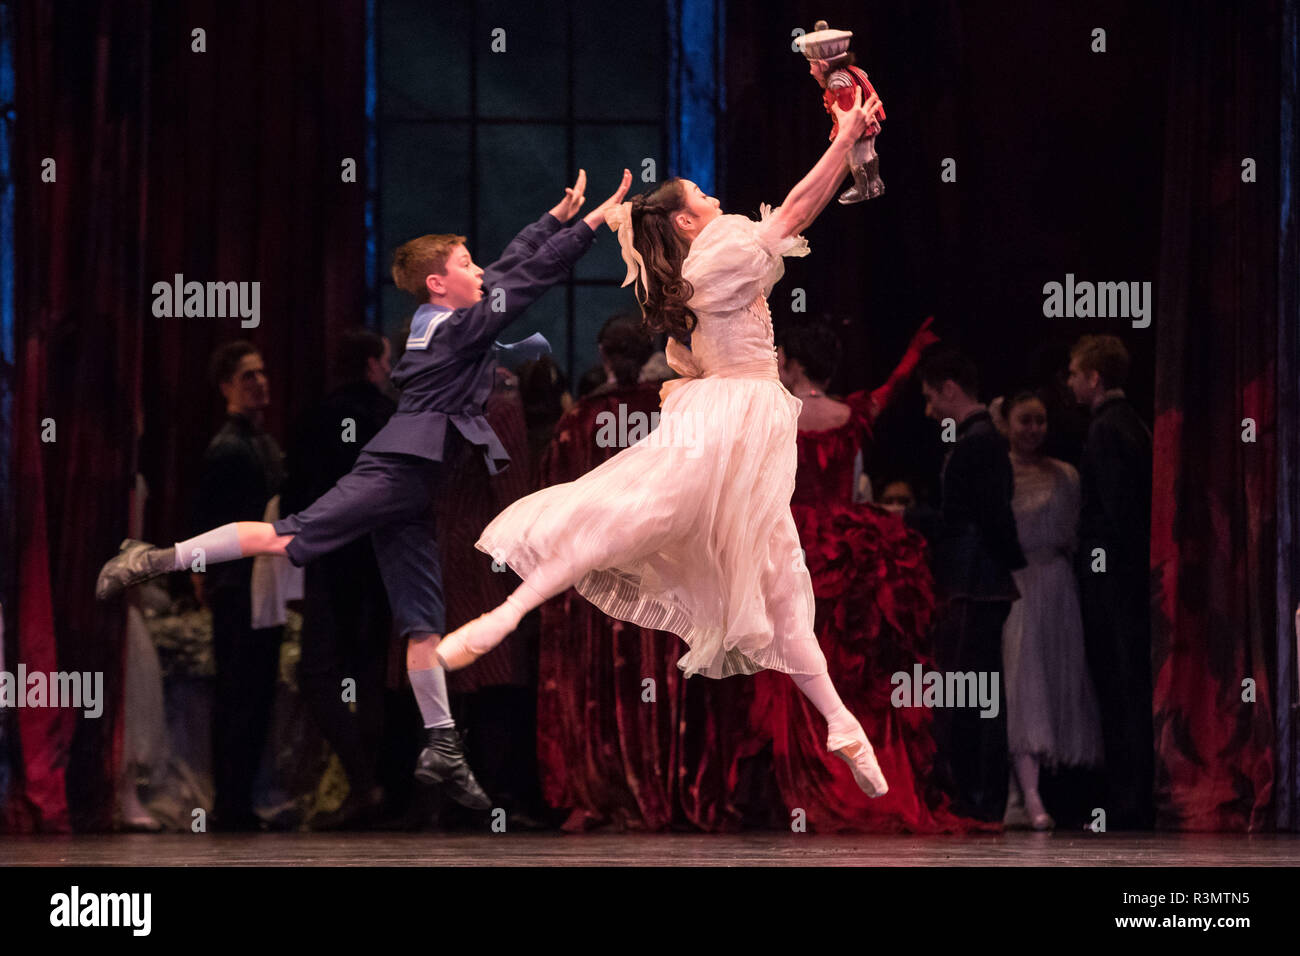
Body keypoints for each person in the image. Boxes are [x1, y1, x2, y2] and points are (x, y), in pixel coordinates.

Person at [95, 168, 634, 813]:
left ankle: (441, 748)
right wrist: (592, 226)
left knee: (421, 625)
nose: (479, 270)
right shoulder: (452, 330)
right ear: (439, 283)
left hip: (418, 485)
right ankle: (151, 558)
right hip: (397, 474)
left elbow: (508, 269)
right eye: (466, 263)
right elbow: (519, 286)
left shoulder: (446, 316)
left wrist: (552, 221)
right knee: (284, 535)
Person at [435, 88, 895, 798]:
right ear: (687, 218)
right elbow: (798, 211)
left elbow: (798, 211)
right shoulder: (715, 255)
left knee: (775, 576)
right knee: (633, 519)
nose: (716, 198)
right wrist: (842, 139)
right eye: (703, 194)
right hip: (728, 422)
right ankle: (506, 613)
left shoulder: (696, 267)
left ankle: (840, 722)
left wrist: (846, 137)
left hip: (742, 422)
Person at [742, 319, 995, 832]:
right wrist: (912, 350)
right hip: (849, 547)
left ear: (792, 364)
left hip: (796, 541)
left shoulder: (773, 417)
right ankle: (866, 774)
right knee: (856, 669)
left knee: (799, 666)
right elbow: (891, 389)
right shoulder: (848, 413)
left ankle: (813, 786)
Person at [279, 327, 397, 829]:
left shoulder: (316, 418)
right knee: (368, 675)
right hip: (381, 563)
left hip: (329, 562)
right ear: (371, 363)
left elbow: (292, 500)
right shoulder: (390, 418)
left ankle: (363, 781)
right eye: (386, 361)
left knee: (319, 674)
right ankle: (370, 784)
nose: (390, 371)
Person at [918, 347, 1026, 823]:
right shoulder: (980, 439)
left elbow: (975, 517)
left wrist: (905, 516)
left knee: (973, 693)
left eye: (931, 397)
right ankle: (978, 796)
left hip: (973, 581)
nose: (929, 409)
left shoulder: (978, 442)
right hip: (976, 579)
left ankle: (978, 797)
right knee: (977, 692)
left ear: (950, 389)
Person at [997, 391, 1104, 830]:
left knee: (1055, 684)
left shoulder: (1066, 475)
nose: (1034, 429)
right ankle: (1026, 794)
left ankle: (1036, 793)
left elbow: (1076, 534)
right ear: (1006, 422)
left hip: (1057, 588)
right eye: (1024, 420)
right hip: (1018, 586)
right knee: (1023, 687)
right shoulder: (998, 473)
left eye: (1040, 420)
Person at [193, 341, 286, 830]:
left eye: (262, 373)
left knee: (254, 693)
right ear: (227, 386)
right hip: (238, 585)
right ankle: (230, 803)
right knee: (238, 693)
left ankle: (238, 800)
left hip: (260, 585)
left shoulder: (262, 443)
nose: (260, 382)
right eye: (248, 375)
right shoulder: (229, 448)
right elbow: (207, 521)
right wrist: (205, 576)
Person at [1067, 334, 1154, 829]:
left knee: (1119, 687)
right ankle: (1129, 797)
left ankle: (1128, 801)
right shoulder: (1129, 423)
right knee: (1124, 687)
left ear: (1094, 378)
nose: (1072, 383)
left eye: (1076, 374)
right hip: (1122, 578)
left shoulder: (1107, 429)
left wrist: (1100, 571)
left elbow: (1117, 514)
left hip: (1113, 583)